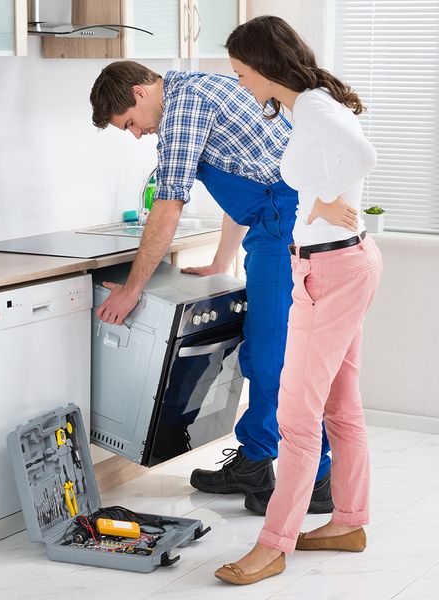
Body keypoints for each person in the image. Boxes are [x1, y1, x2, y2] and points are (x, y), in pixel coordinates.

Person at [89, 60, 358, 515]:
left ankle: (316, 477)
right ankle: (255, 459)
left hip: (283, 230)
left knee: (275, 359)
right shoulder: (200, 86)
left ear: (139, 92)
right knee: (268, 353)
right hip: (273, 224)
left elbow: (168, 204)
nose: (136, 134)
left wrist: (132, 290)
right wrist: (220, 259)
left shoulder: (182, 108)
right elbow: (249, 176)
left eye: (130, 124)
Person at [212, 16, 383, 585]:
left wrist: (320, 204)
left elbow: (362, 156)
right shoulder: (308, 103)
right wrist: (320, 201)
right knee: (339, 407)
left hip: (330, 271)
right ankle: (348, 522)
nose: (240, 83)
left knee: (297, 417)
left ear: (263, 65)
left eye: (241, 72)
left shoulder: (311, 106)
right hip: (341, 262)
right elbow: (334, 167)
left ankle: (274, 544)